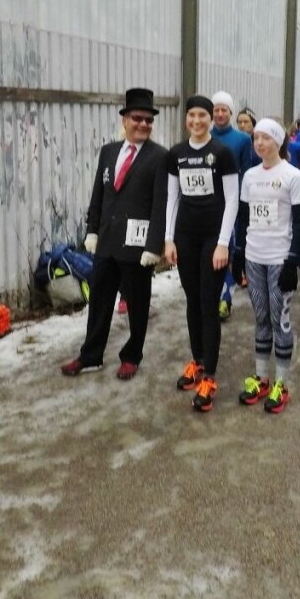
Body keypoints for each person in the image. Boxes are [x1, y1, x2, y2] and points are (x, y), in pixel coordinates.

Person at [61, 88, 168, 380]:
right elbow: (100, 193)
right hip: (107, 240)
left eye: (148, 120)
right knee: (99, 301)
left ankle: (132, 355)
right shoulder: (109, 152)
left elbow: (161, 205)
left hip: (137, 245)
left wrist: (154, 245)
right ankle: (91, 355)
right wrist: (92, 230)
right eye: (137, 118)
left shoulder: (160, 157)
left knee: (137, 302)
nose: (143, 124)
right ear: (125, 120)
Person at [166, 96, 239, 412]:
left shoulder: (221, 154)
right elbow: (172, 199)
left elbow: (233, 200)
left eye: (202, 115)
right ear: (186, 119)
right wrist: (168, 239)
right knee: (192, 301)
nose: (196, 121)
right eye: (192, 115)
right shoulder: (176, 154)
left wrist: (223, 242)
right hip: (185, 236)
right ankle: (196, 361)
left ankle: (210, 374)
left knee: (209, 304)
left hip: (213, 237)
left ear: (211, 119)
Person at [234, 118, 300, 413]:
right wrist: (238, 252)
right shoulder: (250, 175)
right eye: (256, 138)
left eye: (266, 138)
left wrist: (293, 260)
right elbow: (243, 217)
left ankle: (282, 383)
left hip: (280, 258)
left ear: (279, 141)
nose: (260, 143)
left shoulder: (293, 176)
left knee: (281, 320)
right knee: (261, 317)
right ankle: (261, 377)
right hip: (254, 255)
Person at [210, 91, 252, 321]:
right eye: (215, 110)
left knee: (229, 248)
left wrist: (242, 200)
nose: (219, 114)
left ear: (230, 113)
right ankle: (212, 295)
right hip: (208, 205)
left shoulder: (243, 140)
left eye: (223, 110)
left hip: (233, 203)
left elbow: (246, 170)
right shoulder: (205, 137)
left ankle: (225, 298)